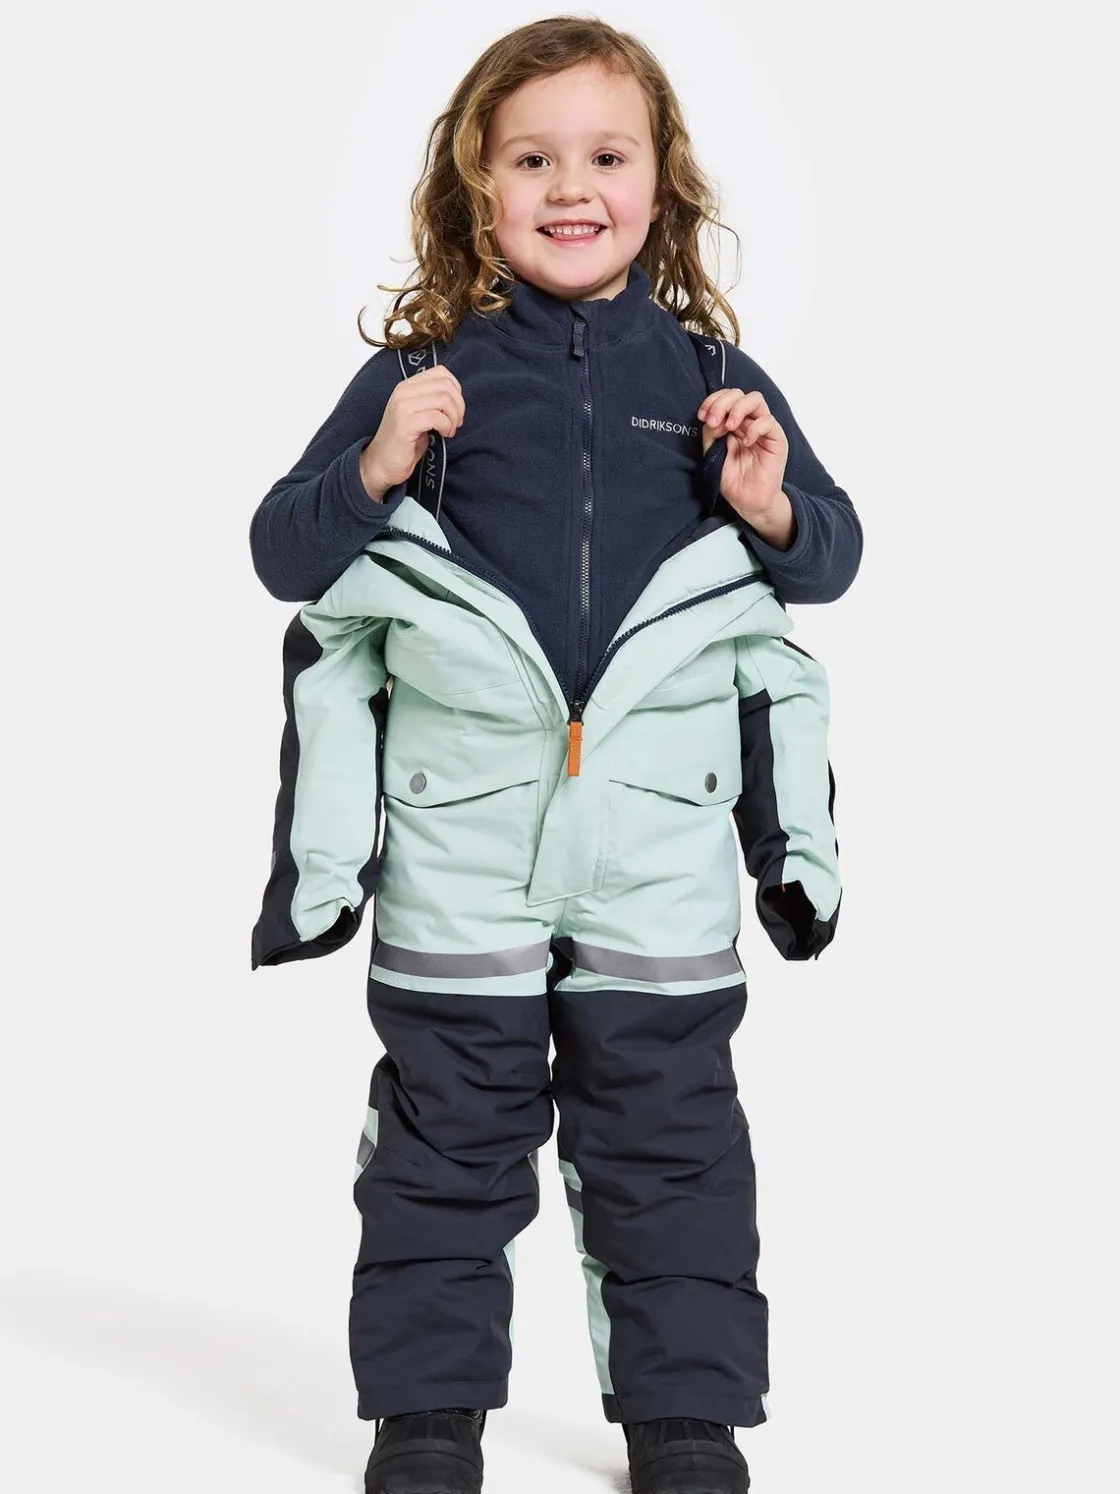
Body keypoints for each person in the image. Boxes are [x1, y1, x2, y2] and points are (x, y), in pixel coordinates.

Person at [248, 16, 861, 1494]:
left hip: (656, 851)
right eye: (531, 159)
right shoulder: (421, 376)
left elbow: (831, 562)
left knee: (673, 1147)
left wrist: (766, 500)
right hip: (463, 846)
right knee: (444, 1145)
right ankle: (426, 1414)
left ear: (661, 181)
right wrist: (377, 463)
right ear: (477, 186)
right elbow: (284, 553)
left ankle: (685, 1418)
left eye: (606, 155)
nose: (570, 187)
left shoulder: (716, 378)